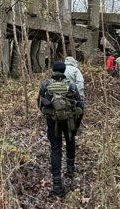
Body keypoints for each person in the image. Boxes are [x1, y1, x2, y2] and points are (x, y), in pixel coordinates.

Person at [38, 61, 84, 197]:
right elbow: (81, 106)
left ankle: (57, 184)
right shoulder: (71, 85)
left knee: (56, 149)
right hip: (69, 121)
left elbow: (39, 104)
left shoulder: (46, 85)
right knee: (70, 142)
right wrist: (77, 124)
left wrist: (49, 115)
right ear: (64, 71)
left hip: (53, 122)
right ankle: (70, 170)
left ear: (52, 70)